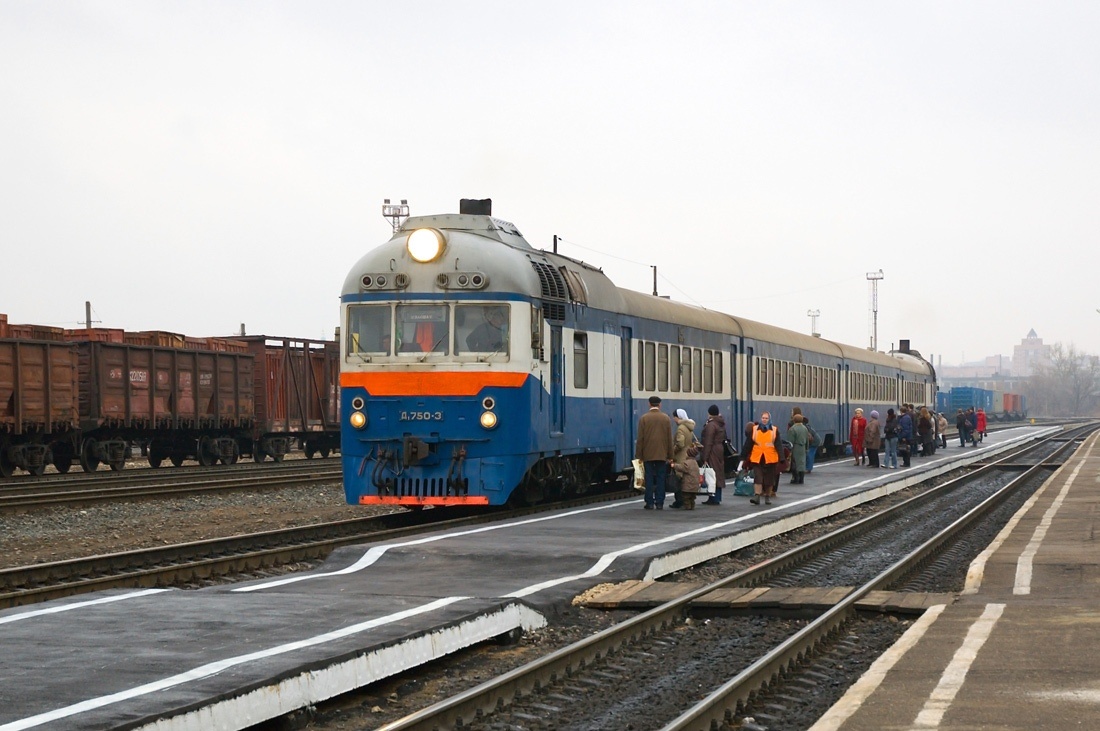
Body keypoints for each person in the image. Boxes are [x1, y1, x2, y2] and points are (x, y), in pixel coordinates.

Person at [635, 396, 673, 510]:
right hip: (662, 454)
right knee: (661, 478)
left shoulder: (644, 418)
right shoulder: (666, 418)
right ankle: (660, 502)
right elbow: (669, 439)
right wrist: (670, 456)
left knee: (649, 478)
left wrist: (639, 456)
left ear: (649, 404)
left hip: (648, 454)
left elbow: (640, 438)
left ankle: (649, 502)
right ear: (659, 405)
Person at [749, 411, 782, 505]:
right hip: (757, 457)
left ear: (769, 419)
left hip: (770, 458)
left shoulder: (774, 430)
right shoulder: (755, 429)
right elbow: (749, 443)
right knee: (758, 477)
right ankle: (757, 496)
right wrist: (743, 456)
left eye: (766, 418)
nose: (764, 420)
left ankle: (767, 496)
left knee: (769, 480)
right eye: (763, 418)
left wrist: (781, 457)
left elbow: (778, 445)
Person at [670, 409, 697, 509]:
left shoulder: (681, 428)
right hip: (687, 454)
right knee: (685, 478)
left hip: (681, 455)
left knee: (679, 478)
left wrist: (673, 451)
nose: (674, 419)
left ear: (678, 417)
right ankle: (688, 501)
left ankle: (679, 501)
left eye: (675, 417)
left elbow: (680, 443)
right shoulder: (689, 427)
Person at [700, 404, 727, 505]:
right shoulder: (720, 423)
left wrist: (705, 457)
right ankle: (716, 496)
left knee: (712, 474)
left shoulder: (711, 425)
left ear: (709, 413)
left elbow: (708, 441)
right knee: (717, 473)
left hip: (712, 451)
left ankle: (714, 497)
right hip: (719, 449)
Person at [786, 414, 809, 484]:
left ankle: (795, 478)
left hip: (795, 447)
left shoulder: (792, 429)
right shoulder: (805, 428)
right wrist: (806, 448)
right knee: (802, 463)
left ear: (794, 420)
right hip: (802, 447)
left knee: (794, 463)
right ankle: (801, 478)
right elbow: (807, 439)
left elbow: (790, 441)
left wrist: (789, 451)